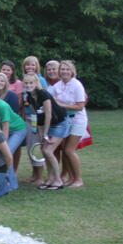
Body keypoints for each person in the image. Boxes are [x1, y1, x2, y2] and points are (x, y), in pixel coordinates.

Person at [22, 73, 69, 190]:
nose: (28, 85)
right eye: (26, 83)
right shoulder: (28, 96)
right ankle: (50, 178)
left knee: (48, 151)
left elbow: (48, 115)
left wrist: (46, 134)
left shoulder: (43, 94)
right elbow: (37, 116)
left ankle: (58, 180)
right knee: (44, 150)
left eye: (31, 83)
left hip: (60, 123)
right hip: (47, 125)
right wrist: (40, 132)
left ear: (36, 83)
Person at [51, 60, 88, 188]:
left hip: (78, 120)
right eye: (62, 69)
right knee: (65, 150)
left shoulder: (77, 85)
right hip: (65, 120)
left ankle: (78, 179)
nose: (64, 71)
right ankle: (70, 177)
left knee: (69, 150)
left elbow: (80, 106)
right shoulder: (58, 85)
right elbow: (51, 98)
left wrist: (62, 105)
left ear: (72, 71)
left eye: (67, 69)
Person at [0, 84, 27, 159]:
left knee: (6, 153)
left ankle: (7, 170)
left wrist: (4, 144)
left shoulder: (2, 106)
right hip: (0, 131)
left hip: (17, 129)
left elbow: (5, 127)